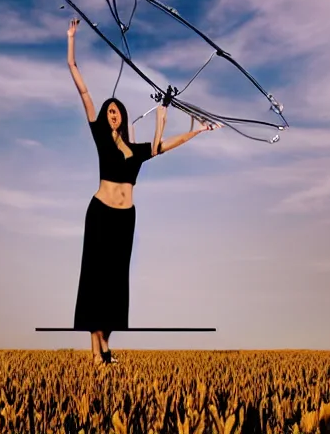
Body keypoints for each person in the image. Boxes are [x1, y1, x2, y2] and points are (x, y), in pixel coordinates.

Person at [67, 22, 219, 364]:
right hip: (101, 213)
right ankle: (97, 350)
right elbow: (82, 89)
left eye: (116, 111)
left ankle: (106, 341)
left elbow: (167, 143)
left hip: (125, 219)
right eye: (108, 112)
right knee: (95, 276)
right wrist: (71, 43)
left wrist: (198, 131)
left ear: (122, 116)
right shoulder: (100, 139)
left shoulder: (137, 150)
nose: (112, 115)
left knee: (117, 282)